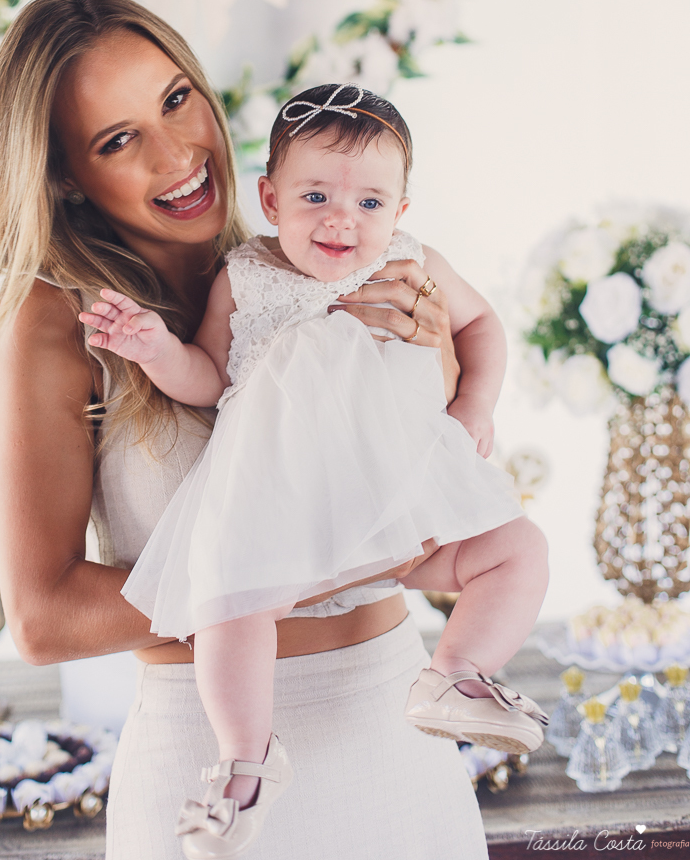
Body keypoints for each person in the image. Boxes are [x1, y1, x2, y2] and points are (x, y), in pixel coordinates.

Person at [0, 0, 535, 860]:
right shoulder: (61, 319)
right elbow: (43, 622)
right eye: (118, 139)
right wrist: (315, 566)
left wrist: (448, 366)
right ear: (64, 176)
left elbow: (432, 468)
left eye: (175, 99)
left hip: (398, 732)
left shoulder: (306, 250)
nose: (176, 154)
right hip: (211, 758)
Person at [82, 83, 549, 858]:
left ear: (400, 212)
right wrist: (155, 350)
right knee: (228, 608)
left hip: (397, 505)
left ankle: (457, 671)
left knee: (518, 549)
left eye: (370, 203)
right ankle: (245, 761)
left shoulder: (413, 263)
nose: (342, 219)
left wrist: (475, 403)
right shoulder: (246, 277)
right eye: (316, 196)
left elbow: (483, 324)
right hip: (277, 507)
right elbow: (209, 377)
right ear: (270, 199)